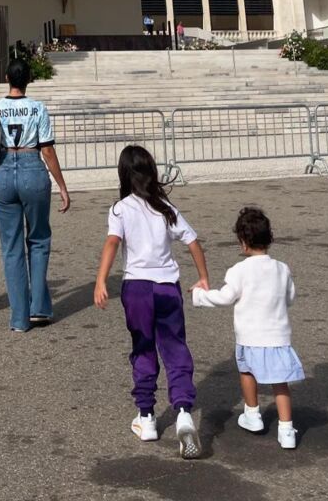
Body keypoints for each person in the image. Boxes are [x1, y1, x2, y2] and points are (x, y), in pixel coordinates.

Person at [94, 145, 208, 459]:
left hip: (137, 288)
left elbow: (112, 242)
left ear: (123, 174)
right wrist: (203, 278)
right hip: (168, 287)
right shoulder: (166, 208)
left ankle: (147, 417)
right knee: (175, 347)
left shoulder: (120, 209)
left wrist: (101, 280)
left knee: (143, 348)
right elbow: (192, 240)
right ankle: (183, 410)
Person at [192, 206, 303, 450]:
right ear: (269, 238)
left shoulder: (239, 270)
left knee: (247, 372)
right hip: (277, 336)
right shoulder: (282, 269)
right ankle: (287, 430)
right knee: (280, 381)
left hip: (250, 336)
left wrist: (200, 295)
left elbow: (225, 297)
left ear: (243, 243)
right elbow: (290, 297)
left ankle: (252, 415)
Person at [0, 58, 71, 332]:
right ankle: (39, 307)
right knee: (39, 239)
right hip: (32, 167)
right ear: (28, 80)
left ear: (7, 77)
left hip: (4, 171)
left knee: (11, 246)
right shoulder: (38, 108)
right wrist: (62, 186)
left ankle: (19, 318)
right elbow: (48, 151)